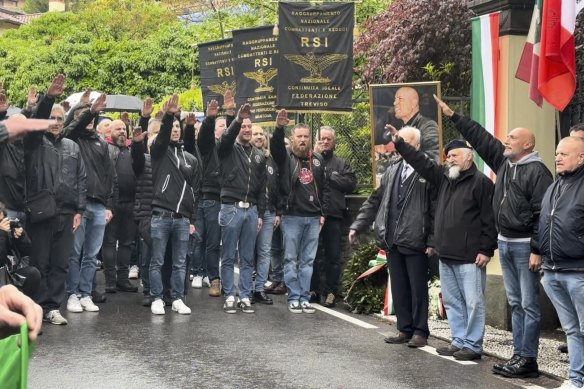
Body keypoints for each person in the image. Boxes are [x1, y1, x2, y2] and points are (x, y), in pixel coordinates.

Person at [435, 96, 553, 377]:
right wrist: (454, 116)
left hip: (525, 246)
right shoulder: (505, 165)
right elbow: (481, 138)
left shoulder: (537, 171)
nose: (506, 140)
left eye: (512, 138)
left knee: (528, 304)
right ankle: (518, 356)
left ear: (528, 145)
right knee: (515, 303)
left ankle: (528, 359)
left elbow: (543, 214)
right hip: (507, 244)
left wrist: (537, 248)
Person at [387, 124, 497, 360]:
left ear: (469, 157)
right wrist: (400, 143)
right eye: (448, 156)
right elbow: (421, 162)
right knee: (453, 302)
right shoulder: (444, 178)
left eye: (455, 155)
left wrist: (486, 249)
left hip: (471, 256)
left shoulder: (481, 183)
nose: (449, 160)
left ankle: (473, 345)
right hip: (446, 254)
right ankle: (458, 341)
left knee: (473, 303)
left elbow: (490, 220)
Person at [349, 127, 434, 348]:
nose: (397, 145)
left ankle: (420, 332)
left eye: (402, 141)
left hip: (416, 238)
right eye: (397, 141)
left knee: (418, 288)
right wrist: (358, 225)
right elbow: (375, 199)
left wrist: (432, 240)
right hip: (392, 239)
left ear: (416, 146)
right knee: (399, 287)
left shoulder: (427, 169)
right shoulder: (393, 168)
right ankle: (404, 329)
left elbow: (435, 209)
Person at [23, 75, 88, 325]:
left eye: (61, 118)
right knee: (39, 263)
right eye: (52, 117)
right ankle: (36, 306)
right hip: (41, 212)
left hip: (66, 212)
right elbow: (35, 126)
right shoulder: (35, 142)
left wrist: (79, 210)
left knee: (61, 263)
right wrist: (48, 100)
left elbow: (81, 179)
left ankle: (52, 307)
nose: (56, 122)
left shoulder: (72, 146)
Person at [271, 110, 329, 314]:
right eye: (299, 137)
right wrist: (279, 128)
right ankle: (293, 296)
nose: (303, 140)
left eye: (306, 137)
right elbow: (275, 147)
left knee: (307, 261)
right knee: (290, 259)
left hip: (313, 218)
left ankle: (304, 297)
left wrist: (324, 213)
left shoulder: (318, 160)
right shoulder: (285, 158)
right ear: (292, 139)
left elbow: (326, 188)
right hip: (291, 216)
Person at [63, 90, 116, 314]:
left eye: (93, 116)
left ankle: (85, 293)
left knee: (91, 255)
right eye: (87, 116)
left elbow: (109, 176)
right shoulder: (72, 139)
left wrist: (109, 205)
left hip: (99, 205)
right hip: (78, 204)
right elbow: (71, 128)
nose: (91, 120)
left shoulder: (101, 143)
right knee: (75, 253)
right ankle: (72, 294)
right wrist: (86, 110)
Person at [538, 135, 584, 389]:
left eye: (564, 154)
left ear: (581, 157)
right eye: (557, 153)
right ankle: (577, 379)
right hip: (553, 270)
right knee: (573, 331)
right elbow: (543, 222)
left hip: (578, 270)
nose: (557, 157)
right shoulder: (555, 186)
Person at [149, 94, 201, 316]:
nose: (175, 130)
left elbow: (195, 191)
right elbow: (161, 137)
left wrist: (192, 219)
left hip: (182, 219)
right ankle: (157, 298)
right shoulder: (159, 152)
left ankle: (178, 298)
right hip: (161, 215)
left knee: (180, 263)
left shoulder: (191, 158)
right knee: (157, 261)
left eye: (178, 128)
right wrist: (170, 115)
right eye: (172, 128)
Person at [216, 102, 266, 314]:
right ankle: (229, 294)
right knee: (228, 255)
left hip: (252, 209)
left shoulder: (259, 155)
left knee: (247, 257)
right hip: (231, 208)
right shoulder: (227, 149)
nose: (246, 130)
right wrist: (236, 120)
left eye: (249, 127)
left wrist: (261, 213)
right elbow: (226, 138)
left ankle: (244, 295)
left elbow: (263, 187)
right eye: (243, 126)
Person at [191, 92, 233, 297]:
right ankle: (197, 272)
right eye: (221, 126)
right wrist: (209, 118)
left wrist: (233, 114)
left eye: (226, 126)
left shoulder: (228, 149)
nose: (224, 129)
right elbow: (203, 137)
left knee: (213, 241)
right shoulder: (208, 146)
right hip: (201, 197)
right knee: (199, 237)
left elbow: (233, 134)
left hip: (218, 198)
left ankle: (212, 275)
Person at [311, 126, 356, 307]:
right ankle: (313, 290)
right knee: (311, 256)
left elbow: (351, 184)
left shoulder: (341, 163)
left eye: (329, 139)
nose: (325, 142)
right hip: (313, 214)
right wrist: (316, 158)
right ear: (316, 140)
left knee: (333, 257)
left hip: (334, 215)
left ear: (334, 141)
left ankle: (331, 292)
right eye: (322, 139)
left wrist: (330, 176)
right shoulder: (309, 160)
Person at [102, 120, 139, 294]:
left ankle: (123, 279)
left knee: (127, 243)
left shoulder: (132, 149)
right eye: (118, 129)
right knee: (109, 242)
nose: (122, 131)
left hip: (131, 203)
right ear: (110, 132)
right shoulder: (106, 148)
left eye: (124, 129)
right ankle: (110, 280)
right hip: (112, 204)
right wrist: (108, 203)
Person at [251, 124, 279, 305]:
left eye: (262, 134)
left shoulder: (272, 159)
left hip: (269, 212)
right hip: (251, 210)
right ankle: (245, 289)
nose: (259, 136)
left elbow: (278, 186)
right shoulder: (245, 156)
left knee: (264, 252)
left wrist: (278, 211)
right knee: (246, 252)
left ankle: (259, 289)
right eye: (255, 133)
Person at [0, 202, 41, 302]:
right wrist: (2, 234)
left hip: (9, 275)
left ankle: (22, 309)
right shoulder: (3, 232)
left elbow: (27, 251)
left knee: (32, 273)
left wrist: (21, 237)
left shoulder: (8, 229)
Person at [391, 86, 439, 161]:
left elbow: (433, 157)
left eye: (400, 99)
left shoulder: (428, 126)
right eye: (395, 99)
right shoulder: (400, 126)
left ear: (414, 103)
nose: (395, 103)